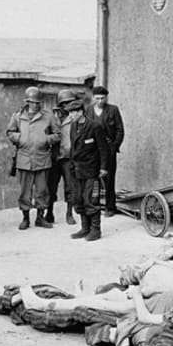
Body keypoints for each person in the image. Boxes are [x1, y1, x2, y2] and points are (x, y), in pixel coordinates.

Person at [6, 86, 60, 230]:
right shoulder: (17, 116)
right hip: (24, 158)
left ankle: (40, 217)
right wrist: (20, 138)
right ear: (27, 102)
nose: (35, 105)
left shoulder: (48, 116)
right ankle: (25, 218)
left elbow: (58, 134)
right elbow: (10, 132)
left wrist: (46, 139)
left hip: (42, 158)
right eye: (32, 102)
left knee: (42, 190)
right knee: (25, 191)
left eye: (38, 103)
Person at [67, 99, 109, 241]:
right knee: (78, 199)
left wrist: (103, 167)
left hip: (91, 170)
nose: (70, 116)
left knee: (91, 199)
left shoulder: (95, 126)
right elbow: (73, 148)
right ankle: (85, 228)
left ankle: (95, 230)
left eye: (72, 113)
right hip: (76, 169)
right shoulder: (73, 126)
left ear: (80, 112)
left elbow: (103, 149)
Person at [86, 86, 124, 217]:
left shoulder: (113, 110)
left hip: (108, 150)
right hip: (93, 150)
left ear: (106, 98)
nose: (100, 101)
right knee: (93, 178)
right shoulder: (88, 110)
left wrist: (114, 146)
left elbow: (120, 130)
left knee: (109, 179)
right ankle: (94, 205)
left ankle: (110, 207)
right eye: (97, 98)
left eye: (102, 98)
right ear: (93, 98)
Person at [46, 88, 77, 225]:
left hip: (68, 157)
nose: (67, 106)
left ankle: (69, 213)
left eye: (69, 103)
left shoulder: (75, 118)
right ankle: (49, 212)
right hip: (54, 157)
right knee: (51, 186)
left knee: (70, 187)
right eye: (64, 103)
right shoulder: (52, 117)